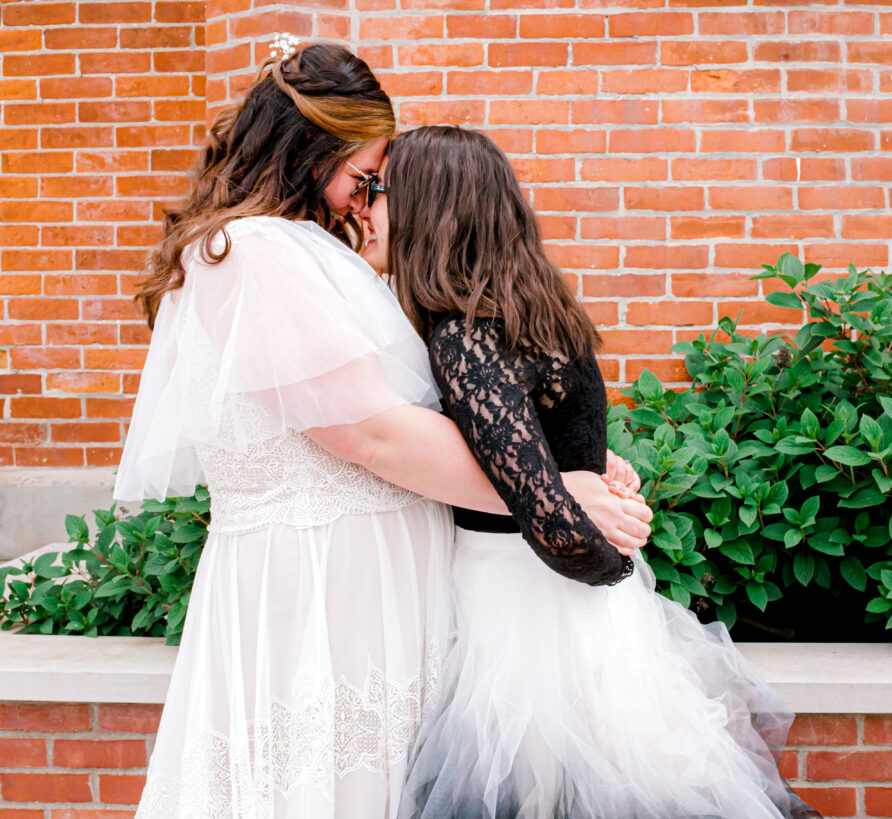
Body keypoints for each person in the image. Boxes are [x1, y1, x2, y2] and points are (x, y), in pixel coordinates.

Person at [113, 45, 650, 817]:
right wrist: (548, 496)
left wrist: (561, 454)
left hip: (368, 589)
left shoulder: (305, 249)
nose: (362, 200)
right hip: (324, 590)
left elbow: (445, 410)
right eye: (362, 176)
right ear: (311, 151)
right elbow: (373, 434)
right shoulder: (253, 253)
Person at [357, 126, 822, 819]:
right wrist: (616, 576)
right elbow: (558, 441)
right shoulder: (538, 312)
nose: (364, 208)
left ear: (430, 206)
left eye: (379, 191)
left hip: (521, 619)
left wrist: (606, 551)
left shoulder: (464, 333)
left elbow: (553, 522)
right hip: (587, 620)